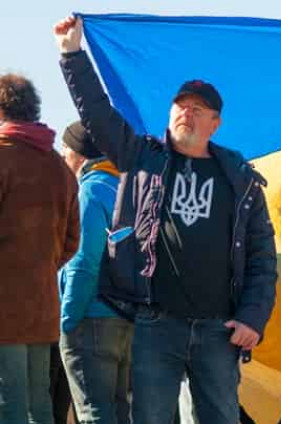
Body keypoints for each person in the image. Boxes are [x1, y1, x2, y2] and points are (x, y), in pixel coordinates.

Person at [54, 16, 278, 424]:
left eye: (198, 109)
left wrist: (253, 318)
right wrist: (72, 54)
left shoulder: (242, 181)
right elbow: (99, 115)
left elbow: (264, 257)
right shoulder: (143, 157)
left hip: (218, 330)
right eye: (181, 106)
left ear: (216, 123)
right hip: (156, 325)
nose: (186, 113)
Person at [0, 73, 79, 423]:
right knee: (39, 405)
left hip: (5, 308)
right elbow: (71, 242)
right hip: (44, 305)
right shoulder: (60, 167)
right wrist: (40, 266)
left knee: (9, 403)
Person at [58, 121, 134, 424]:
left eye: (65, 149)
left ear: (78, 153)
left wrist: (66, 318)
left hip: (89, 318)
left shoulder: (88, 191)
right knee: (118, 410)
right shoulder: (125, 190)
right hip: (124, 318)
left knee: (93, 413)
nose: (62, 155)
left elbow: (84, 261)